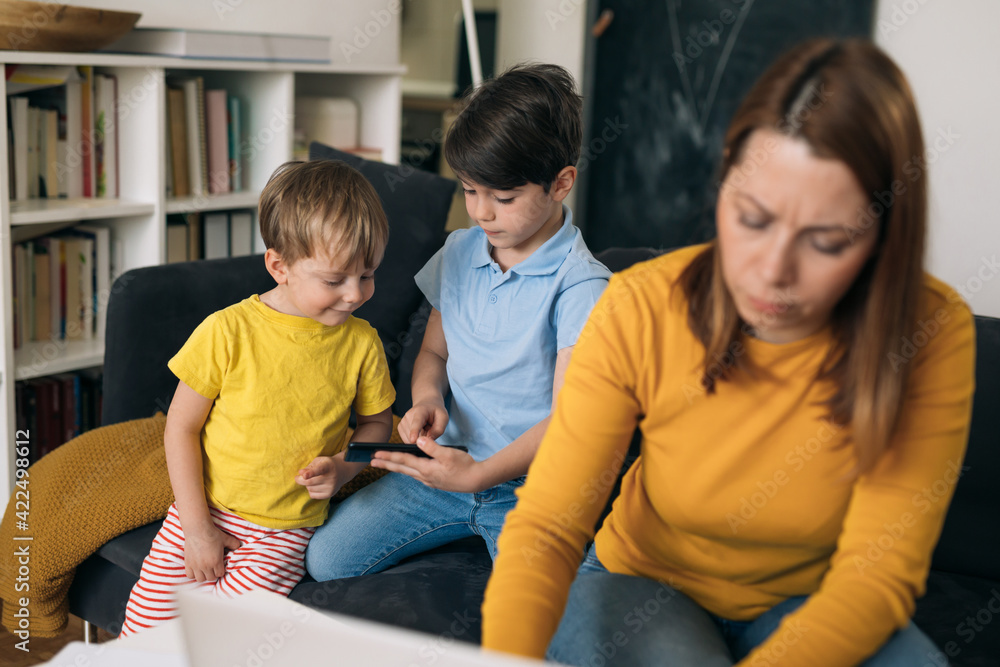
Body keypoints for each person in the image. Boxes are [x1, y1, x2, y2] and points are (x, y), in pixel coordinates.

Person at [481, 39, 976, 666]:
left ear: (884, 238)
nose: (772, 271)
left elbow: (875, 578)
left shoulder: (930, 331)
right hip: (642, 584)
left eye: (826, 241)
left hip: (809, 600)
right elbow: (548, 527)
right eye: (752, 218)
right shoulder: (638, 305)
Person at [304, 63, 612, 579]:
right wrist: (426, 399)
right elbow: (434, 352)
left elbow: (572, 421)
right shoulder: (461, 251)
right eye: (470, 191)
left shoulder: (582, 286)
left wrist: (482, 476)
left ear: (561, 184)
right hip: (442, 469)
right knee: (327, 560)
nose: (482, 213)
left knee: (560, 615)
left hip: (530, 485)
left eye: (504, 197)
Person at [119, 160, 396, 636]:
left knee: (223, 637)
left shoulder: (362, 343)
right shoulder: (226, 331)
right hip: (203, 509)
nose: (354, 295)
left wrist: (346, 466)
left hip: (284, 530)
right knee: (144, 630)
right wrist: (198, 528)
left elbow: (377, 425)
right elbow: (180, 427)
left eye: (368, 275)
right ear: (279, 266)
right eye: (335, 280)